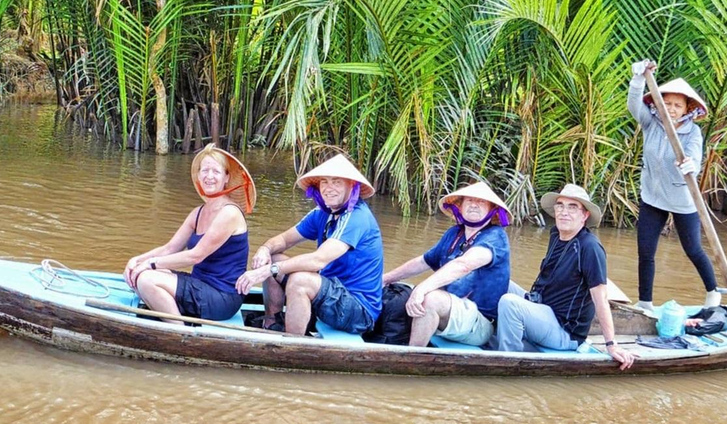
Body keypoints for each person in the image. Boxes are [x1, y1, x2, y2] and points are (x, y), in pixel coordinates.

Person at [236, 154, 383, 335]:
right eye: (324, 182)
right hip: (331, 292)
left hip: (359, 311)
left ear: (351, 186)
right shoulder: (323, 213)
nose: (329, 189)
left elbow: (318, 261)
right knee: (272, 257)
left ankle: (292, 345)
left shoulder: (357, 217)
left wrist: (270, 270)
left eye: (336, 182)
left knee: (299, 281)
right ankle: (272, 324)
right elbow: (283, 240)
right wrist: (265, 249)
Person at [496, 184, 637, 370]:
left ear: (584, 215)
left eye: (572, 207)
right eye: (560, 205)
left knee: (509, 303)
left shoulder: (590, 248)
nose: (564, 212)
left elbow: (601, 298)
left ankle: (507, 363)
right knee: (499, 281)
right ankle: (490, 332)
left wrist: (611, 344)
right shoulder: (556, 234)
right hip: (542, 308)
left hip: (564, 331)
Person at [124, 143, 256, 321]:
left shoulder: (229, 213)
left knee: (147, 279)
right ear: (199, 176)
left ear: (226, 178)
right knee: (136, 277)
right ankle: (174, 319)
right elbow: (170, 248)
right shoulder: (198, 212)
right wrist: (137, 261)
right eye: (205, 171)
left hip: (222, 296)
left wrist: (151, 264)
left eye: (216, 171)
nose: (209, 176)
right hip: (200, 285)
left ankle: (178, 332)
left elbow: (196, 256)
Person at [628, 60, 720, 312]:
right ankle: (645, 302)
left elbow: (693, 157)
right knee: (645, 251)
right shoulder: (651, 123)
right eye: (666, 103)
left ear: (687, 108)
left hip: (682, 200)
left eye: (677, 105)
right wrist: (637, 80)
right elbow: (633, 105)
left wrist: (690, 165)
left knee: (693, 249)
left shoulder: (693, 133)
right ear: (658, 102)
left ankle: (713, 292)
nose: (671, 109)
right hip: (653, 197)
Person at [382, 182, 511, 347]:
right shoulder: (454, 234)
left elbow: (464, 264)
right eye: (469, 200)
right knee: (401, 289)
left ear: (491, 210)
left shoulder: (496, 237)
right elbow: (423, 261)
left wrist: (422, 289)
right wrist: (386, 279)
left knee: (430, 298)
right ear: (460, 206)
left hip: (479, 323)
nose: (474, 205)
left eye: (481, 202)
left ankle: (412, 357)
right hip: (451, 312)